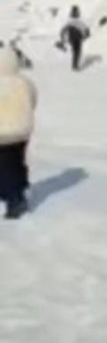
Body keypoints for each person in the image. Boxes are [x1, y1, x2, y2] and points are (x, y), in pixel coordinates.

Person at [0, 46, 36, 219]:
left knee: (3, 166)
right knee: (16, 162)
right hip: (22, 132)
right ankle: (18, 193)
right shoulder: (25, 82)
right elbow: (33, 100)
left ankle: (12, 198)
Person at [59, 6, 91, 71]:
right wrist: (62, 35)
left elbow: (85, 28)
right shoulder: (71, 20)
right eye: (75, 11)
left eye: (76, 11)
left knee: (77, 51)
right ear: (73, 12)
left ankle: (75, 65)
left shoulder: (77, 20)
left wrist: (87, 33)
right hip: (74, 38)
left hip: (78, 38)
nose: (76, 12)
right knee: (76, 51)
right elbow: (64, 29)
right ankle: (75, 66)